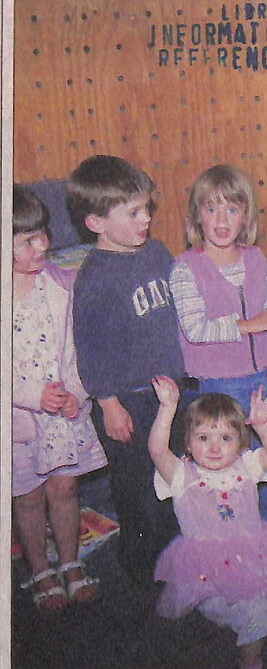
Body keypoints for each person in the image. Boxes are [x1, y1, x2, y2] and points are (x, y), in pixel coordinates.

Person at [67, 155, 187, 585]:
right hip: (128, 400)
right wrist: (108, 402)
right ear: (96, 222)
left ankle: (178, 552)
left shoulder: (155, 252)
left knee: (175, 473)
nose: (147, 219)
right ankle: (141, 564)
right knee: (137, 484)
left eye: (147, 208)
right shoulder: (94, 278)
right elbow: (89, 347)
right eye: (133, 213)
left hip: (170, 392)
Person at [148, 379, 267, 669]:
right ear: (188, 443)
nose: (214, 447)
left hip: (259, 557)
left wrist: (263, 424)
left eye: (225, 438)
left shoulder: (247, 466)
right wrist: (168, 407)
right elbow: (157, 449)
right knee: (256, 615)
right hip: (211, 573)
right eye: (203, 437)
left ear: (240, 442)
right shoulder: (181, 476)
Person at [170, 164, 267, 528]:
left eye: (232, 209)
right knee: (223, 473)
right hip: (217, 385)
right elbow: (196, 328)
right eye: (212, 209)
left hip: (262, 379)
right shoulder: (185, 267)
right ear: (197, 216)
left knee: (266, 463)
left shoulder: (255, 258)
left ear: (246, 216)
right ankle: (230, 540)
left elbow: (265, 308)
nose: (222, 220)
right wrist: (256, 323)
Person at [12, 185, 107, 612]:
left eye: (43, 234)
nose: (44, 246)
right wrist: (33, 395)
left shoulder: (61, 284)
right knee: (29, 496)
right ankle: (39, 568)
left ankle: (69, 561)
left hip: (63, 416)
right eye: (28, 241)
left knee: (65, 489)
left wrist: (77, 393)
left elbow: (81, 347)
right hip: (19, 421)